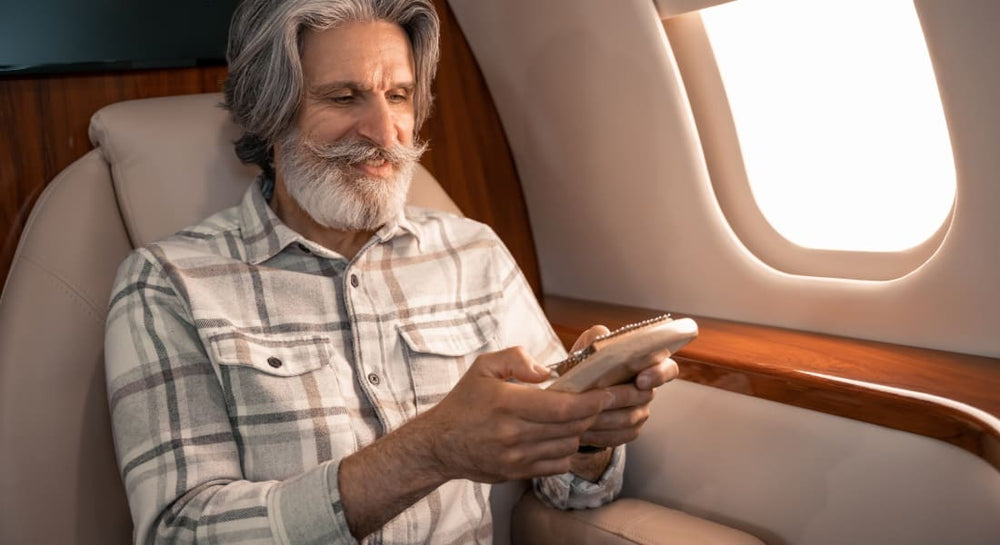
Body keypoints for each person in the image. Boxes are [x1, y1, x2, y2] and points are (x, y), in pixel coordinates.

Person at [103, 1, 679, 543]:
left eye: (399, 95)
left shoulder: (472, 253)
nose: (385, 133)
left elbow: (570, 495)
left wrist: (585, 436)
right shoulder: (169, 283)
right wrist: (429, 451)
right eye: (345, 97)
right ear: (270, 113)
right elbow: (178, 531)